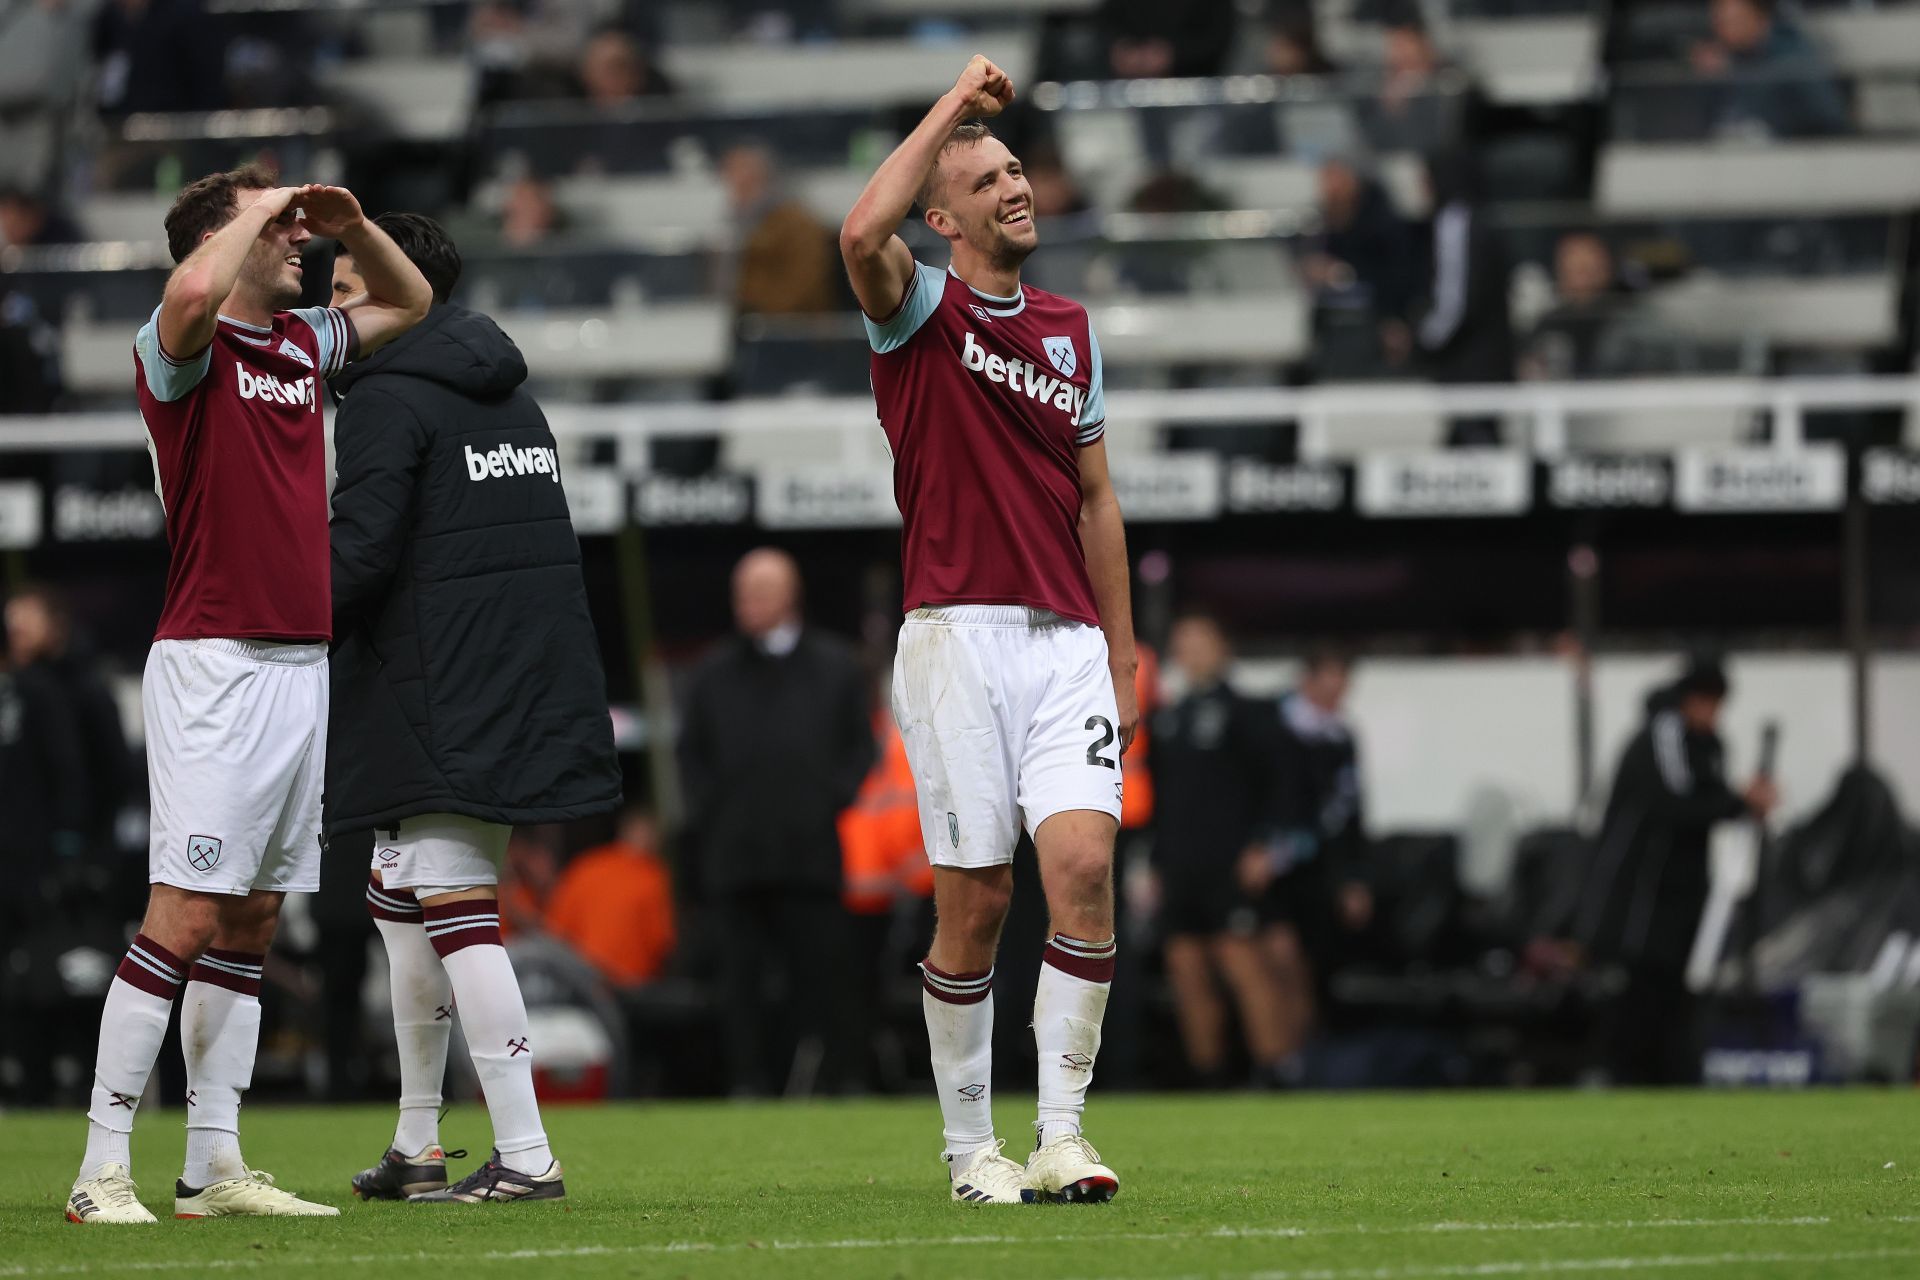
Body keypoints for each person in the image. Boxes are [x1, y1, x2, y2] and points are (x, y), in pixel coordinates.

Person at [67, 165, 430, 1226]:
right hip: (214, 662)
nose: (297, 243)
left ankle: (211, 1163)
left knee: (255, 916)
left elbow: (407, 304)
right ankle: (99, 1169)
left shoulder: (300, 343)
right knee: (180, 912)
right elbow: (185, 296)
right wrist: (257, 213)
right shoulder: (181, 350)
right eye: (273, 230)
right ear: (218, 242)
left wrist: (357, 221)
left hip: (296, 663)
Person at [840, 56, 1139, 1205]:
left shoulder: (1070, 330)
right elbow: (860, 230)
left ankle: (1062, 1130)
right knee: (976, 899)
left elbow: (1097, 498)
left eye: (1018, 168)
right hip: (955, 637)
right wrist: (952, 107)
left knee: (1085, 869)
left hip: (1064, 640)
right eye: (989, 176)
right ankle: (972, 1149)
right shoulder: (918, 306)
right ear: (944, 214)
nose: (1016, 186)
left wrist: (1121, 649)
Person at [325, 213, 621, 1204]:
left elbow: (359, 555)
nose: (330, 304)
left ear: (396, 286)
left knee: (453, 910)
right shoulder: (511, 393)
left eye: (345, 287)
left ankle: (529, 1152)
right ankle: (418, 1143)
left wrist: (273, 621)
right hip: (515, 677)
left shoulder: (384, 400)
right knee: (406, 906)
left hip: (436, 686)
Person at [677, 548, 873, 1097]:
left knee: (827, 977)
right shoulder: (712, 671)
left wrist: (827, 800)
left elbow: (860, 748)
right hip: (735, 857)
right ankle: (747, 1082)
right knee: (739, 983)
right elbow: (690, 755)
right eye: (741, 593)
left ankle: (843, 1080)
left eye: (758, 592)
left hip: (810, 854)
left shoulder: (835, 666)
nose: (746, 604)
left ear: (789, 596)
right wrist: (713, 811)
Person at [1574, 657, 1776, 1084]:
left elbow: (1711, 800)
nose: (1711, 713)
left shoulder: (1711, 745)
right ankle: (1617, 1074)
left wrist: (1747, 803)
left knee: (1679, 989)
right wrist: (1741, 802)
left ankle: (1671, 1076)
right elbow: (1673, 801)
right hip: (1641, 892)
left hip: (1685, 891)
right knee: (1640, 986)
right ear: (1688, 698)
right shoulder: (1660, 737)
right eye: (1705, 701)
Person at [1149, 614, 1292, 1088]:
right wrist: (1153, 864)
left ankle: (1276, 1071)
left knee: (1244, 966)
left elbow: (1280, 787)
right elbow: (1161, 800)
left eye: (1201, 641)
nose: (1191, 652)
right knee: (1188, 971)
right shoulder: (1167, 719)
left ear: (1224, 647)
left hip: (1231, 866)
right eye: (1182, 642)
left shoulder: (1251, 712)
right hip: (1180, 868)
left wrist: (1264, 846)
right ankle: (1207, 1075)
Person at [1241, 648, 1372, 1072]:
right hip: (1274, 871)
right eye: (1330, 682)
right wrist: (1258, 847)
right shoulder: (1268, 727)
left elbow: (1349, 814)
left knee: (1310, 970)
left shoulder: (1339, 738)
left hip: (1317, 873)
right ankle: (1281, 1060)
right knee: (1279, 962)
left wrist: (1353, 877)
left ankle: (1303, 1061)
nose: (1337, 694)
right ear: (1309, 679)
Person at [5, 584, 129, 862]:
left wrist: (78, 826)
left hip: (85, 842)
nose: (16, 630)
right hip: (27, 845)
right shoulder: (17, 686)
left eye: (25, 623)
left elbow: (115, 768)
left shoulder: (86, 686)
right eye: (12, 627)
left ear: (56, 625)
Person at [1414, 151, 1513, 445]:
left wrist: (1421, 344)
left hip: (1470, 366)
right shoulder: (1484, 217)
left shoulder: (1456, 221)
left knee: (1474, 450)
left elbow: (1454, 304)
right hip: (1488, 360)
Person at [545, 807, 678, 987]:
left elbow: (556, 931)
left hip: (582, 981)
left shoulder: (585, 865)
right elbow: (660, 941)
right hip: (629, 985)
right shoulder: (652, 875)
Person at [1691, 0, 1849, 140]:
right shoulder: (1725, 60)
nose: (1724, 30)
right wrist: (1712, 79)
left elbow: (1827, 118)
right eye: (1720, 22)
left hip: (1800, 154)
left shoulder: (1794, 53)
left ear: (1761, 18)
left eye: (1734, 21)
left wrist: (1732, 72)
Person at [723, 142, 838, 316]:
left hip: (793, 331)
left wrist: (751, 304)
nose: (735, 191)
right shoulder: (745, 226)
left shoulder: (797, 226)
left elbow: (802, 289)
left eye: (744, 183)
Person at [1520, 232, 1625, 382]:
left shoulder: (1625, 320)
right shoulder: (1549, 323)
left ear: (1606, 267)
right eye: (1574, 267)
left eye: (1588, 267)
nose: (1582, 274)